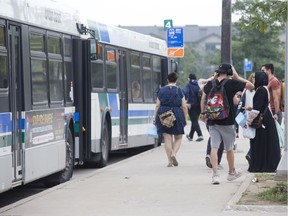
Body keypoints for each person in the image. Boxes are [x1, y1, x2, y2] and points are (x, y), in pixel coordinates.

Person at [200, 63, 254, 185]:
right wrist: (237, 76)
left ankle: (215, 175)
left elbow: (203, 97)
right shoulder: (231, 83)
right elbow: (251, 85)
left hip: (212, 120)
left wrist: (203, 113)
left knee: (214, 147)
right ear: (229, 72)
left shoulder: (210, 84)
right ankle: (231, 173)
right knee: (229, 148)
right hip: (227, 120)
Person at [246, 71, 281, 172]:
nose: (253, 80)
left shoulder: (260, 90)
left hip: (262, 121)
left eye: (254, 78)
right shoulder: (264, 89)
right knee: (266, 143)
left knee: (259, 143)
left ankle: (259, 166)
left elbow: (256, 110)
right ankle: (267, 165)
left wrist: (248, 121)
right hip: (266, 119)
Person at [153, 72, 188, 167]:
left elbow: (157, 105)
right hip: (177, 113)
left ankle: (169, 161)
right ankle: (174, 154)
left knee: (167, 139)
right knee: (178, 137)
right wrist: (185, 118)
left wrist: (154, 117)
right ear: (176, 80)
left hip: (163, 113)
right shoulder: (180, 90)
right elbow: (184, 106)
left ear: (167, 80)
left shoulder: (161, 90)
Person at [240, 73, 256, 164]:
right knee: (252, 136)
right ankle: (251, 154)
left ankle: (251, 154)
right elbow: (241, 104)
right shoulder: (246, 91)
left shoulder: (258, 89)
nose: (254, 79)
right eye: (253, 78)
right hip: (249, 116)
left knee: (254, 137)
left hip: (253, 115)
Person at [182, 73, 203, 142]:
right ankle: (190, 136)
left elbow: (184, 92)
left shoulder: (188, 85)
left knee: (194, 121)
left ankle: (200, 135)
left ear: (189, 79)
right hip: (200, 105)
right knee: (195, 120)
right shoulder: (199, 84)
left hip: (192, 105)